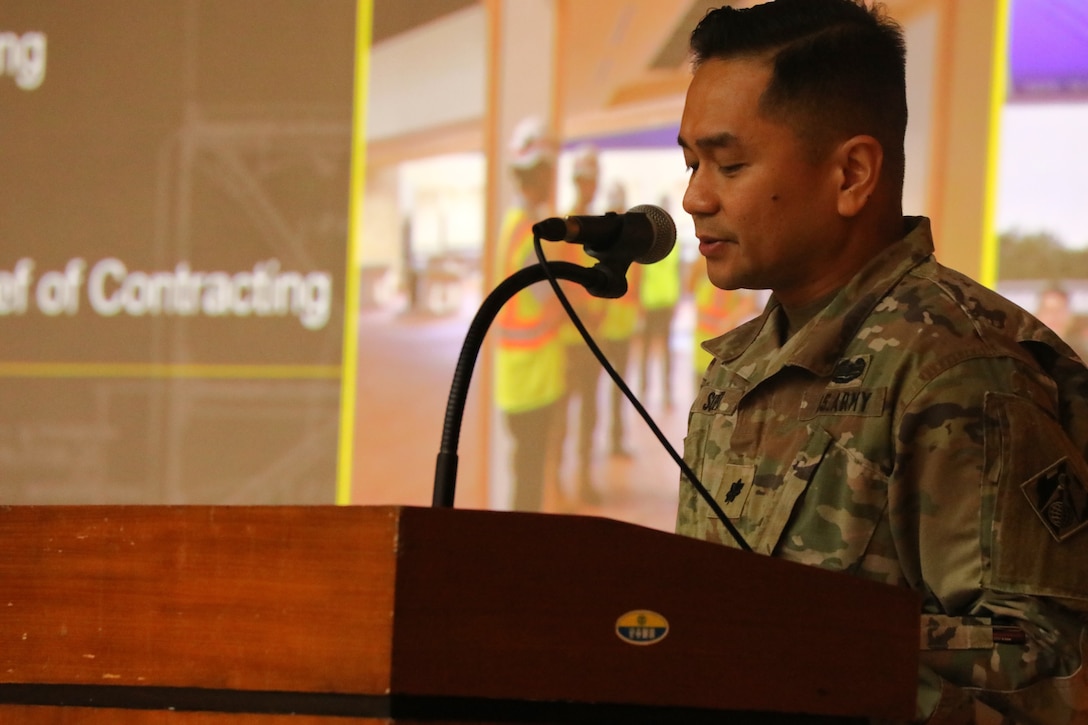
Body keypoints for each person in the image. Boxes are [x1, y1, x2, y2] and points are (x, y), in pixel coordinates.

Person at [674, 1, 1088, 722]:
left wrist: (787, 656)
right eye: (691, 163)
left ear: (852, 174)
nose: (694, 198)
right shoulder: (738, 368)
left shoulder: (960, 370)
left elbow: (1048, 672)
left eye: (729, 164)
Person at [494, 116, 566, 512]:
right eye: (549, 172)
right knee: (528, 486)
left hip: (520, 378)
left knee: (525, 474)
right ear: (537, 173)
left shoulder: (515, 224)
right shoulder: (529, 235)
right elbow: (551, 304)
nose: (553, 180)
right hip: (532, 380)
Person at [554, 144, 607, 505]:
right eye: (586, 180)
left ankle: (584, 479)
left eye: (593, 180)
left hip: (593, 337)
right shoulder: (566, 228)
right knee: (563, 416)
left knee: (589, 414)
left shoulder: (599, 229)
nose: (591, 186)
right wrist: (584, 309)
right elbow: (559, 284)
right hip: (569, 338)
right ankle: (557, 486)